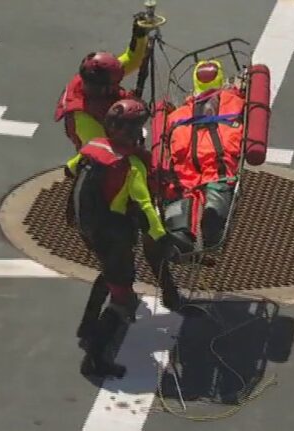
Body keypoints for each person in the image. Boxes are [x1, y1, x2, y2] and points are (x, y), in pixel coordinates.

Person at [66, 98, 179, 378]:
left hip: (88, 229)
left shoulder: (93, 148)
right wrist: (163, 239)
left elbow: (69, 169)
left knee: (108, 273)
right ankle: (95, 360)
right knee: (123, 298)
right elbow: (146, 208)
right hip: (113, 234)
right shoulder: (131, 166)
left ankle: (87, 326)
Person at [151, 59, 247, 254]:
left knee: (184, 189)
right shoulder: (234, 102)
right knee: (218, 184)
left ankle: (181, 229)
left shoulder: (177, 115)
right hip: (218, 162)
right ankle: (213, 220)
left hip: (186, 164)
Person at [54, 14, 150, 151]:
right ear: (105, 88)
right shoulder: (85, 120)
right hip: (100, 151)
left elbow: (132, 59)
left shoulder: (97, 75)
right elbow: (106, 153)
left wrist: (139, 36)